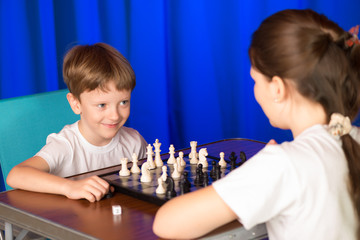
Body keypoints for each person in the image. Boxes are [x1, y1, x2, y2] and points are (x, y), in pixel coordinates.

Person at [153, 9, 360, 239]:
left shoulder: (284, 164)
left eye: (255, 79)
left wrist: (260, 172)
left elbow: (166, 223)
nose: (254, 89)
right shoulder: (354, 138)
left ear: (277, 89)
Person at [7, 43, 147, 202]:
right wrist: (69, 187)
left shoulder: (134, 141)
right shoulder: (65, 145)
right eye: (102, 105)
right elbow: (16, 175)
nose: (114, 115)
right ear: (76, 104)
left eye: (123, 102)